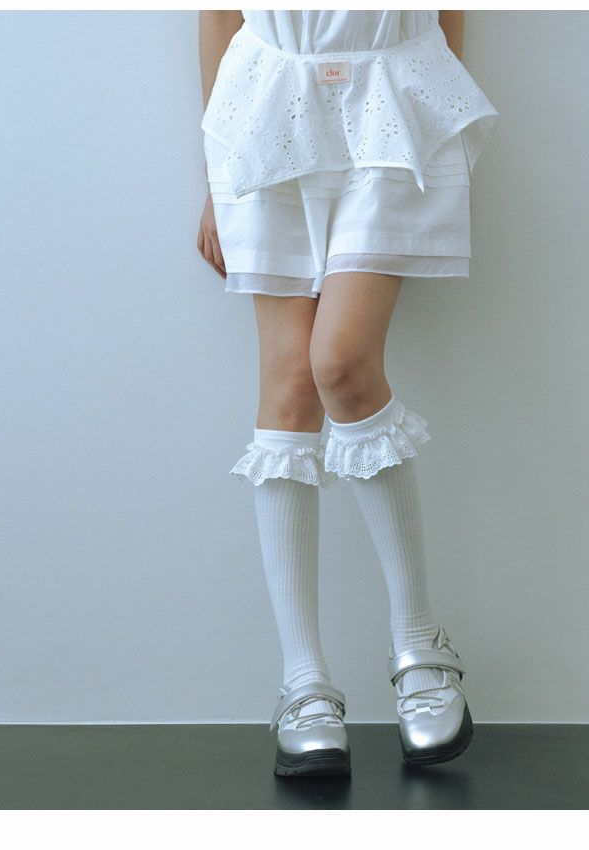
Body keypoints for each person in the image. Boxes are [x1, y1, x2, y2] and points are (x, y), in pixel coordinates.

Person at [197, 10, 499, 777]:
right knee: (291, 386)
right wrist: (213, 174)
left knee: (342, 365)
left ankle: (421, 646)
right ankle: (303, 683)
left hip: (393, 100)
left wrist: (438, 119)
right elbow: (218, 16)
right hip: (265, 99)